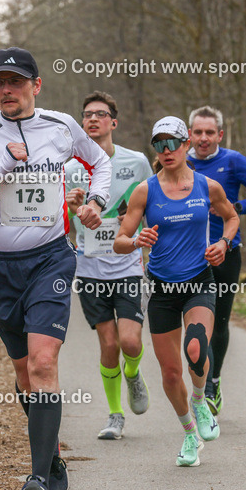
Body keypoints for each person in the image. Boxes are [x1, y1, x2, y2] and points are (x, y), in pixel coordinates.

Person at [0, 47, 112, 490]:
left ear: (37, 86)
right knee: (22, 372)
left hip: (50, 258)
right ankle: (50, 454)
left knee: (42, 361)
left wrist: (96, 200)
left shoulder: (60, 126)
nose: (6, 90)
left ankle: (37, 481)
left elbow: (101, 163)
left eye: (16, 81)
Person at [113, 116, 239, 466]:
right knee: (170, 374)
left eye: (173, 143)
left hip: (199, 282)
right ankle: (188, 435)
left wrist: (224, 244)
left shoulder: (207, 186)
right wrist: (137, 240)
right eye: (159, 144)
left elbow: (232, 217)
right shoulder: (145, 190)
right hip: (162, 290)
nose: (166, 151)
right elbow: (119, 241)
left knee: (196, 348)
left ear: (186, 146)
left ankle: (200, 400)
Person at [65, 91, 153, 440]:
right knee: (109, 343)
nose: (93, 119)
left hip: (128, 264)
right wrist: (72, 206)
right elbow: (62, 220)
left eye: (101, 114)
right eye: (87, 114)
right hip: (89, 268)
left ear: (113, 123)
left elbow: (151, 203)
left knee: (130, 342)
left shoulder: (138, 162)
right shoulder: (70, 168)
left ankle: (133, 373)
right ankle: (115, 414)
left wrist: (149, 240)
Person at [187, 106, 246, 415]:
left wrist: (233, 206)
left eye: (210, 132)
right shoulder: (177, 162)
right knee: (198, 325)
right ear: (189, 135)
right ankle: (206, 383)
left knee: (219, 321)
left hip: (227, 252)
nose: (203, 138)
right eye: (198, 132)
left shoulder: (233, 161)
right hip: (189, 256)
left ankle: (213, 381)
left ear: (220, 135)